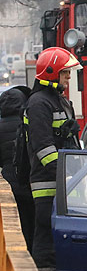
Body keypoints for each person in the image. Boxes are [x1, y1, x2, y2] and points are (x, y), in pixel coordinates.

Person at [24, 48, 81, 271]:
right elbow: (44, 148)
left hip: (65, 182)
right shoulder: (38, 103)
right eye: (65, 73)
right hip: (47, 184)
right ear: (51, 73)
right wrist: (66, 173)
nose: (69, 77)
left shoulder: (59, 101)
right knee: (46, 235)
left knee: (63, 237)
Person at [0, 85, 34, 251]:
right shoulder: (27, 124)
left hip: (8, 185)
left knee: (16, 225)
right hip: (29, 183)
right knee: (32, 223)